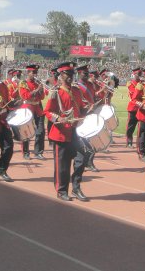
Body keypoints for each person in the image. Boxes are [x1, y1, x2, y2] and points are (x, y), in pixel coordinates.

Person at [43, 62, 90, 202]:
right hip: (61, 133)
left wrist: (87, 110)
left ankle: (76, 187)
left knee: (81, 160)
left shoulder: (76, 90)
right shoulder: (56, 92)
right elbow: (48, 111)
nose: (70, 77)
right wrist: (59, 118)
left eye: (72, 74)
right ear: (61, 75)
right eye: (67, 74)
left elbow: (81, 107)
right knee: (62, 166)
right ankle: (61, 190)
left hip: (75, 132)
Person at [18, 64, 47, 160]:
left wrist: (41, 90)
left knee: (41, 131)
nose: (35, 74)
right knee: (26, 131)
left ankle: (38, 152)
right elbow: (24, 96)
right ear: (28, 73)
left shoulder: (37, 83)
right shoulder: (23, 83)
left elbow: (42, 97)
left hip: (38, 108)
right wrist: (36, 91)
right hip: (28, 107)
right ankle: (26, 152)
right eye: (33, 72)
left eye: (36, 72)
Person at [125, 67, 142, 148]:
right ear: (134, 74)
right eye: (138, 74)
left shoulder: (142, 83)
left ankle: (141, 142)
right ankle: (129, 141)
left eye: (140, 74)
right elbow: (134, 95)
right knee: (131, 126)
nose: (139, 76)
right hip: (133, 107)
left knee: (142, 127)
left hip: (141, 107)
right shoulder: (131, 83)